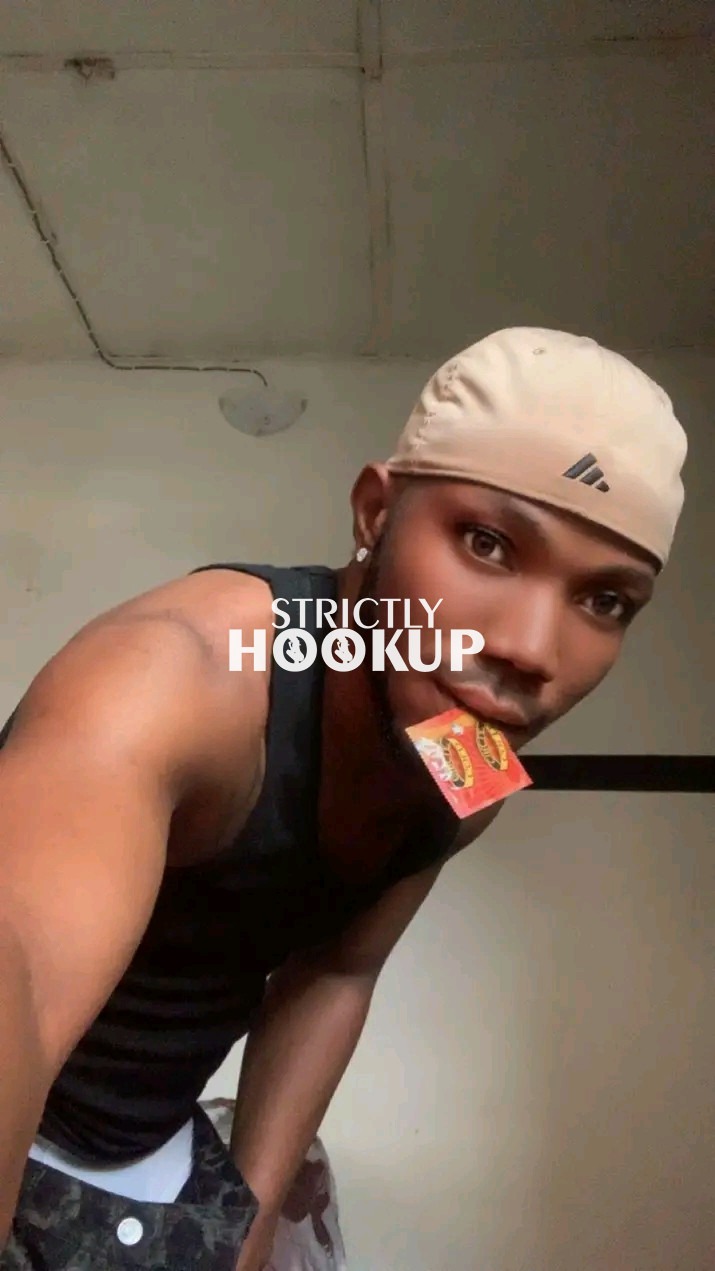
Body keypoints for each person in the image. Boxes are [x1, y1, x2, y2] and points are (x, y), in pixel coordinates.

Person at [0, 327, 687, 1270]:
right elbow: (16, 984)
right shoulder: (172, 676)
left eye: (605, 600)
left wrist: (248, 1229)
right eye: (486, 543)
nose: (531, 647)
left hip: (150, 1141)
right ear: (375, 512)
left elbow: (337, 972)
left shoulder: (467, 754)